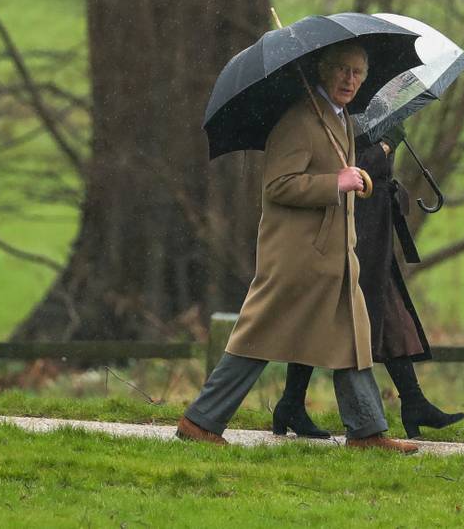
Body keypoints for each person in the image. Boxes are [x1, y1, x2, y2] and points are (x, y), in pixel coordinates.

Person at [177, 41, 417, 454]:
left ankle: (366, 432)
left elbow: (331, 169)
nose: (350, 79)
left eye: (357, 72)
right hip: (298, 258)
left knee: (353, 339)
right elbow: (278, 186)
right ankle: (200, 421)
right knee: (257, 338)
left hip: (336, 258)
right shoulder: (300, 121)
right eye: (342, 69)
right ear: (323, 71)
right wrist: (334, 184)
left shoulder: (338, 120)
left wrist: (352, 174)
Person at [273, 123, 464, 439]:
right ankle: (295, 403)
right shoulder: (348, 115)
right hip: (355, 226)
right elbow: (353, 167)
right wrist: (386, 146)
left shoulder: (372, 111)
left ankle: (413, 400)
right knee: (330, 313)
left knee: (389, 310)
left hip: (375, 226)